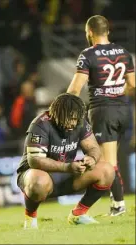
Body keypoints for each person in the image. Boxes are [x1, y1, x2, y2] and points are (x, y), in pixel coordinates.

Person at [67, 15, 135, 216]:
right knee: (107, 160)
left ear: (89, 32)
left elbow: (75, 88)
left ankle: (118, 205)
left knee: (107, 163)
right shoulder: (124, 52)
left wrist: (64, 105)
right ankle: (116, 202)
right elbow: (132, 84)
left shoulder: (88, 54)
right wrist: (115, 90)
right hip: (124, 111)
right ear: (108, 31)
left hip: (103, 112)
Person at [17, 93, 114, 229]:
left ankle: (78, 214)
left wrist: (92, 158)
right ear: (57, 113)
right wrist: (67, 167)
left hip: (66, 174)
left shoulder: (79, 122)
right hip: (38, 176)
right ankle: (30, 218)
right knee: (38, 179)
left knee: (107, 170)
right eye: (70, 118)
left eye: (76, 119)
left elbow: (93, 147)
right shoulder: (40, 124)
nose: (73, 123)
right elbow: (35, 161)